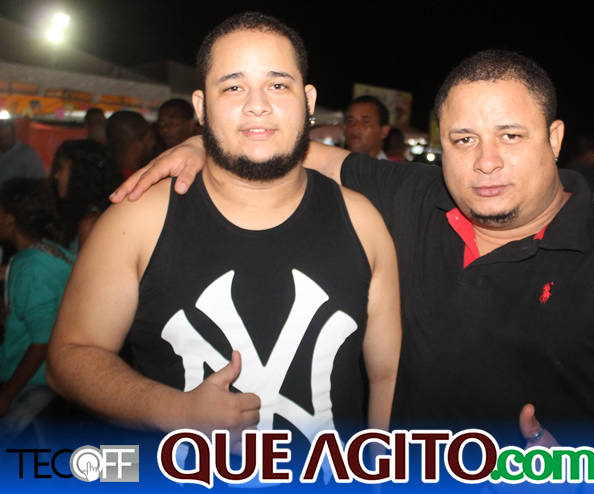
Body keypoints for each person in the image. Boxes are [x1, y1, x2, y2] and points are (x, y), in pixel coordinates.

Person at [114, 49, 594, 475]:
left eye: (511, 136)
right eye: (464, 140)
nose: (485, 161)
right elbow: (305, 154)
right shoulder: (414, 197)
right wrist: (201, 142)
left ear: (555, 138)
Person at [46, 12, 401, 447]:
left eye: (278, 85)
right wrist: (172, 410)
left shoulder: (363, 222)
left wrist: (381, 467)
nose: (257, 104)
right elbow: (69, 357)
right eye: (233, 87)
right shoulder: (137, 220)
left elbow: (386, 376)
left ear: (308, 101)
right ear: (201, 107)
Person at [0, 179, 74, 442]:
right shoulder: (55, 252)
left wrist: (7, 394)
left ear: (11, 218)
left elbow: (42, 340)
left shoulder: (28, 266)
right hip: (57, 383)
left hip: (32, 386)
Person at [105, 111, 157, 178]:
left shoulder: (101, 175)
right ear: (136, 146)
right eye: (149, 138)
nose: (153, 142)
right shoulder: (139, 181)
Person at [0, 120, 46, 189]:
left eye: (7, 137)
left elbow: (39, 181)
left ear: (14, 135)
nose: (4, 141)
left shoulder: (28, 155)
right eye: (1, 138)